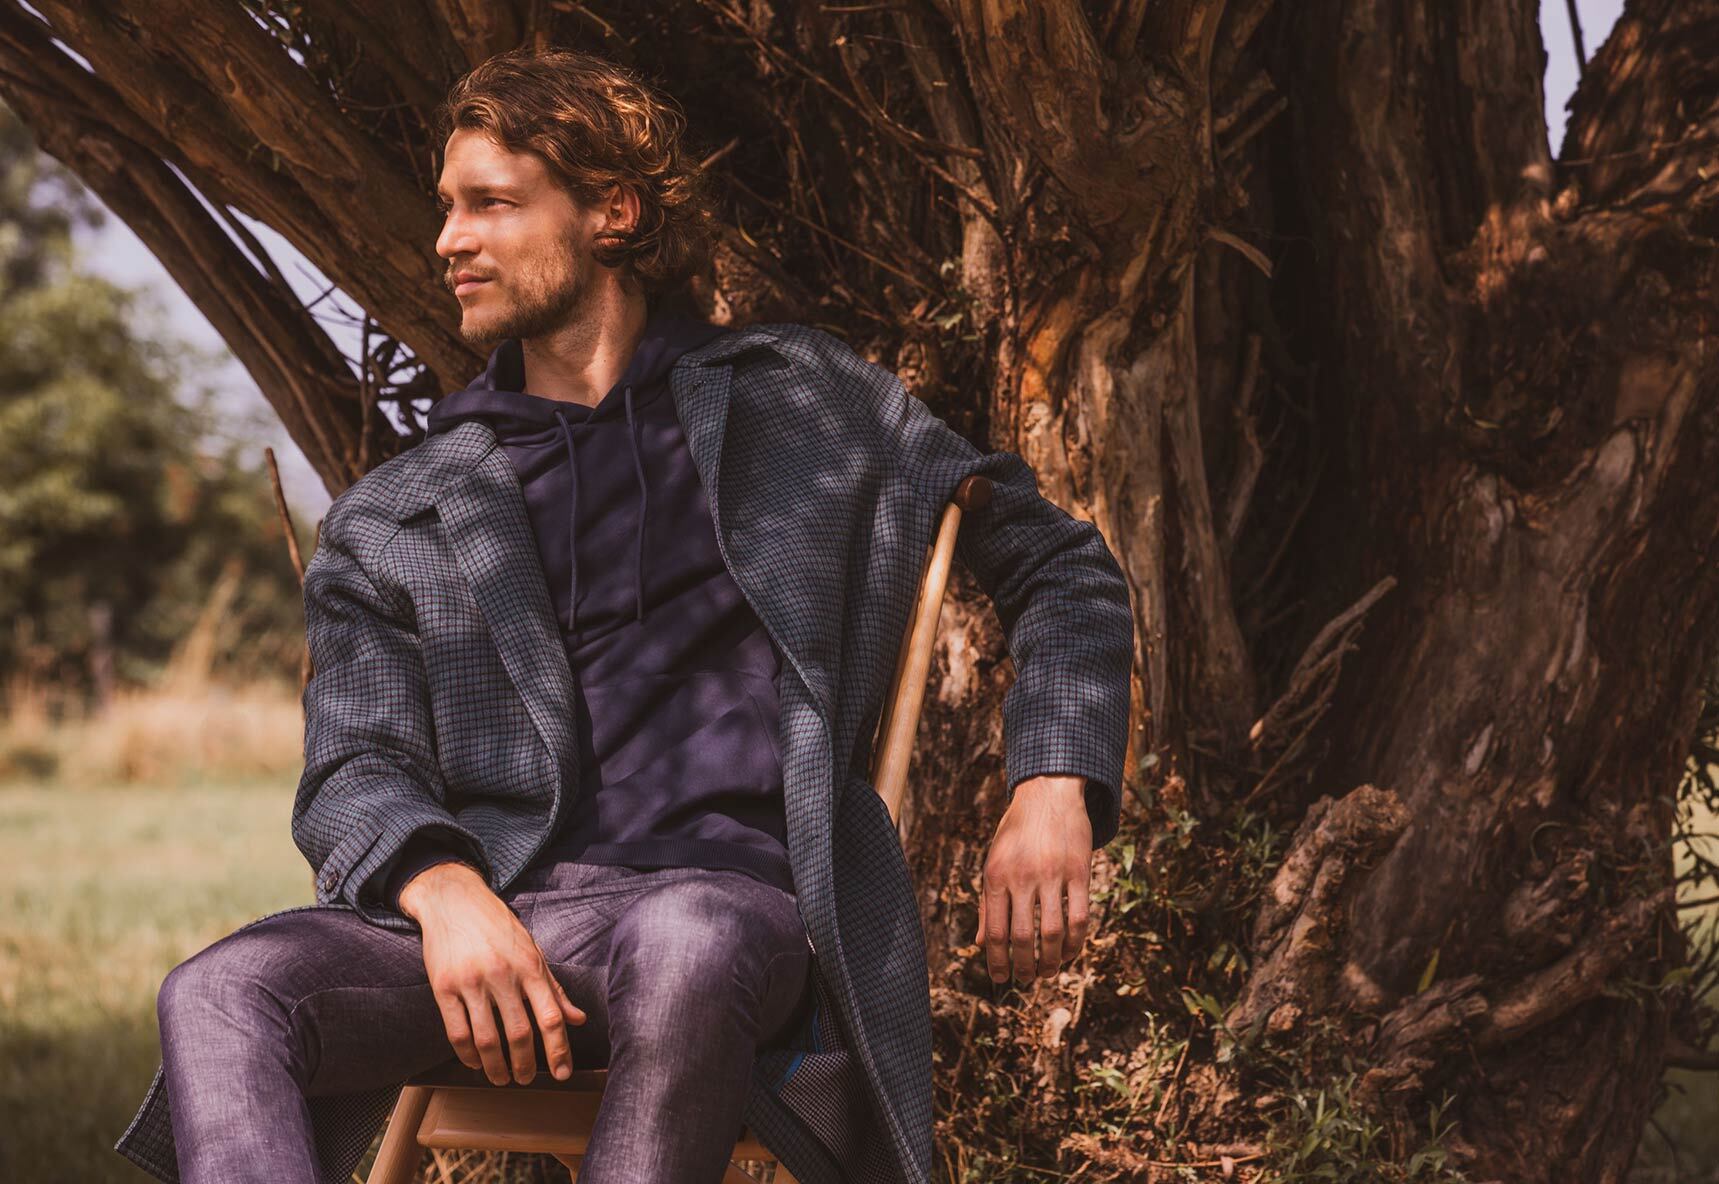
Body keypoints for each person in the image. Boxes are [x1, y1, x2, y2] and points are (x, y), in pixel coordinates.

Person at [115, 46, 1134, 1184]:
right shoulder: (402, 510)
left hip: (727, 912)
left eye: (490, 203)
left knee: (683, 936)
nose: (448, 238)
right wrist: (445, 894)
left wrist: (1053, 783)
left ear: (613, 211)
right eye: (447, 207)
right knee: (219, 993)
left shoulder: (798, 403)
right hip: (498, 920)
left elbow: (1059, 564)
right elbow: (353, 766)